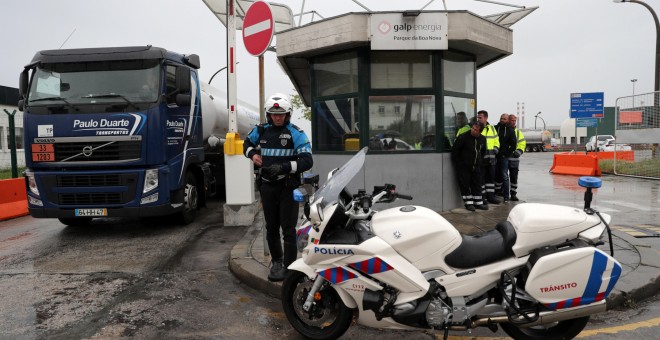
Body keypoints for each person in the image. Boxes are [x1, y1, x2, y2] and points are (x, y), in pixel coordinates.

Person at [244, 93, 313, 282]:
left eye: (281, 114)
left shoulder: (296, 133)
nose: (277, 117)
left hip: (287, 187)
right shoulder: (261, 130)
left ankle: (290, 268)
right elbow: (247, 143)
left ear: (288, 114)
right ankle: (276, 262)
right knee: (271, 228)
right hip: (267, 187)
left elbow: (307, 160)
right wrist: (252, 155)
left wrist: (284, 167)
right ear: (268, 114)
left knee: (288, 229)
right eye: (273, 114)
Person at [452, 122, 488, 211]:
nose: (473, 130)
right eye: (473, 128)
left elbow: (483, 152)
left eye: (476, 130)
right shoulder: (463, 137)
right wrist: (459, 163)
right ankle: (468, 204)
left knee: (477, 185)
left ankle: (478, 203)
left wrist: (479, 162)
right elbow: (455, 151)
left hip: (476, 166)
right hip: (464, 166)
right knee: (465, 185)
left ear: (480, 132)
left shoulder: (482, 139)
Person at [477, 110, 501, 206]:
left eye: (480, 117)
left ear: (486, 118)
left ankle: (491, 197)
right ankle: (483, 198)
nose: (478, 119)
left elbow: (496, 140)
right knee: (481, 179)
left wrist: (495, 149)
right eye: (478, 117)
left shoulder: (492, 128)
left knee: (490, 179)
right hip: (481, 158)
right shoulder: (477, 128)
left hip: (491, 158)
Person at [494, 113, 517, 202]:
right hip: (495, 156)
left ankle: (506, 197)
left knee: (504, 175)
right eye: (501, 118)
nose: (502, 120)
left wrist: (506, 154)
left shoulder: (510, 131)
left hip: (504, 157)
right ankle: (495, 193)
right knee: (495, 175)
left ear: (507, 120)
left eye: (504, 119)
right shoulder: (496, 128)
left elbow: (513, 145)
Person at [508, 114, 526, 201]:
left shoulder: (518, 132)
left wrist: (519, 151)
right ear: (508, 120)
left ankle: (513, 194)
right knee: (502, 177)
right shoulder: (505, 130)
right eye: (512, 120)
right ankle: (502, 193)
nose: (514, 122)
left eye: (515, 121)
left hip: (514, 159)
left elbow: (522, 144)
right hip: (505, 158)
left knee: (514, 177)